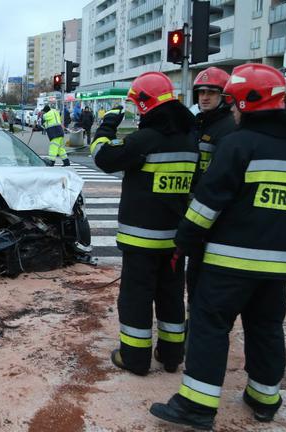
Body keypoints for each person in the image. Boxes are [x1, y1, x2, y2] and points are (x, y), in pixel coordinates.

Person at [150, 64, 286, 430]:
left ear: (246, 102)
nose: (233, 109)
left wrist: (184, 241)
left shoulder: (238, 145)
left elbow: (207, 204)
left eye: (235, 103)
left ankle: (196, 406)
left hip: (228, 264)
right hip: (275, 271)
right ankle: (264, 398)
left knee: (210, 327)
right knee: (266, 329)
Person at [90, 72, 197, 377]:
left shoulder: (146, 139)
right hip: (175, 240)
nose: (137, 112)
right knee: (172, 298)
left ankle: (135, 358)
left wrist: (107, 125)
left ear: (146, 104)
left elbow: (104, 158)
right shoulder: (189, 139)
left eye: (138, 106)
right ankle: (172, 354)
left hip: (142, 241)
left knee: (136, 299)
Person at [184, 67, 237, 309]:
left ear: (225, 96)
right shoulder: (200, 123)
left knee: (205, 279)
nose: (204, 97)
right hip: (198, 211)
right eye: (201, 92)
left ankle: (198, 327)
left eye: (211, 93)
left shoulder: (227, 129)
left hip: (214, 218)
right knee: (194, 275)